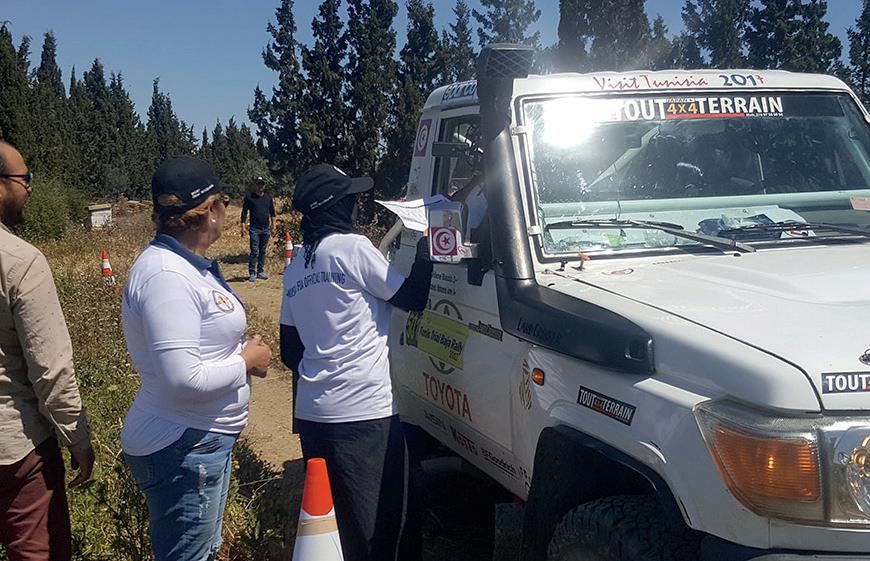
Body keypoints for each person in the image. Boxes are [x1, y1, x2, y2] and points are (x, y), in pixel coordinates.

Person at [121, 156, 272, 561]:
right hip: (183, 445)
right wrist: (245, 362)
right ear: (211, 210)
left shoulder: (181, 266)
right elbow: (182, 379)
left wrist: (239, 357)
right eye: (224, 201)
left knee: (201, 552)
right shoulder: (167, 276)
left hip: (195, 442)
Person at [279, 164, 432, 561]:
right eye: (351, 199)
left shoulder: (296, 266)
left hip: (314, 416)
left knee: (341, 525)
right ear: (337, 206)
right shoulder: (352, 248)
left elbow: (290, 352)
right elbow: (411, 297)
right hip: (363, 415)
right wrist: (426, 242)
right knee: (383, 526)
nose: (356, 205)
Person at [0, 140, 95, 561]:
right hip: (15, 451)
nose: (30, 188)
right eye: (25, 179)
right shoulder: (19, 261)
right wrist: (78, 438)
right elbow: (50, 369)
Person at [240, 176, 276, 282]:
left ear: (264, 186)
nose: (260, 186)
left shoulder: (268, 198)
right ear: (255, 185)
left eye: (262, 184)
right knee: (254, 251)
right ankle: (252, 272)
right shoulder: (249, 198)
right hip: (254, 229)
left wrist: (273, 227)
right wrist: (243, 226)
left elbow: (272, 213)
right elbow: (244, 212)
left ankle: (260, 271)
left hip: (265, 228)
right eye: (258, 184)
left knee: (263, 251)